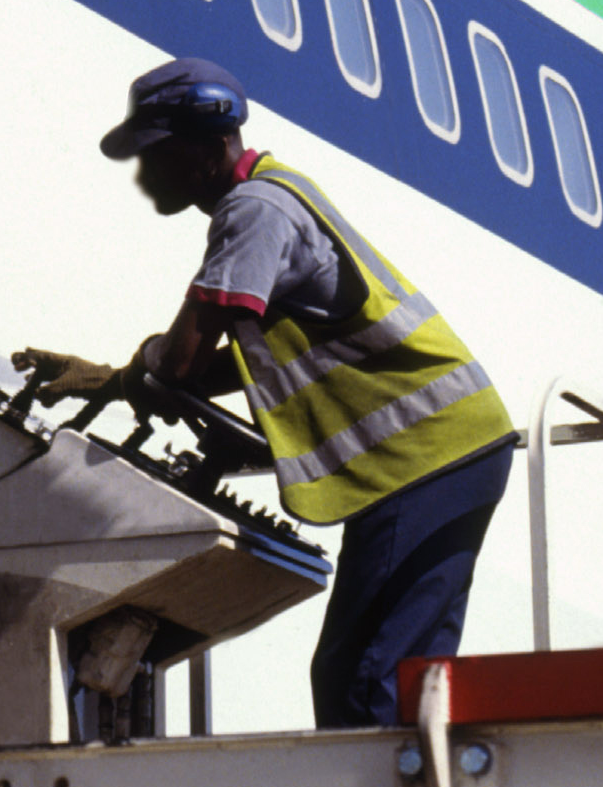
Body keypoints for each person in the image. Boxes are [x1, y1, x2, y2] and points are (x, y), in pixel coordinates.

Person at [53, 58, 516, 729]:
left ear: (211, 145)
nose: (144, 174)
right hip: (453, 449)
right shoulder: (279, 193)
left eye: (157, 153)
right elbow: (242, 363)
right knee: (401, 674)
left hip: (425, 456)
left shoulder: (253, 211)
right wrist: (115, 378)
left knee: (360, 680)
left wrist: (142, 364)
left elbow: (182, 360)